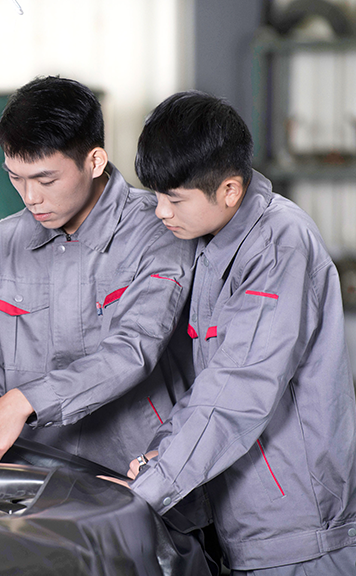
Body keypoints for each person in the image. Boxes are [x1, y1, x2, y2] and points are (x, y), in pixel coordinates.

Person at [0, 76, 197, 474]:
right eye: (15, 177)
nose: (30, 198)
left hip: (136, 474)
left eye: (46, 180)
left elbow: (131, 350)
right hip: (29, 476)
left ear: (94, 161)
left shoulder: (161, 230)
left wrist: (23, 402)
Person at [127, 91, 356, 574]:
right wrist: (164, 449)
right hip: (250, 525)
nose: (161, 212)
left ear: (229, 190)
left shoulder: (277, 244)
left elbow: (241, 386)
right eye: (156, 196)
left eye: (174, 199)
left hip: (299, 535)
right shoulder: (215, 245)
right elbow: (210, 380)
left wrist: (152, 487)